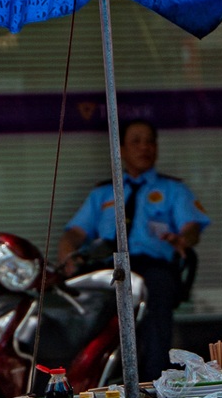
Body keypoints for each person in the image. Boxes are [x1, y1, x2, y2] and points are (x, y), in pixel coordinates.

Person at [58, 119, 207, 382]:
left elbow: (191, 228)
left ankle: (154, 382)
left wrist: (183, 239)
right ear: (122, 150)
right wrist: (68, 257)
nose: (144, 147)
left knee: (155, 306)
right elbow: (74, 233)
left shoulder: (173, 189)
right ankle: (88, 378)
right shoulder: (104, 193)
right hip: (109, 268)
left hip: (152, 268)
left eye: (150, 141)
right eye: (136, 141)